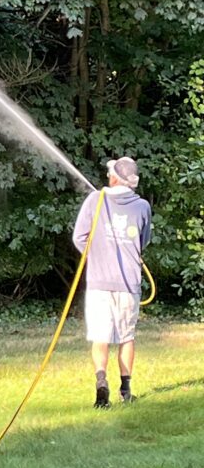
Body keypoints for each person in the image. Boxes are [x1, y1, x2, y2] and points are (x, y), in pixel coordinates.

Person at [72, 157, 152, 408]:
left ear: (115, 177)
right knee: (126, 337)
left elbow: (79, 237)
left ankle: (101, 383)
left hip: (99, 282)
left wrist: (97, 254)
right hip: (129, 283)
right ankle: (125, 391)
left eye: (110, 172)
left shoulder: (95, 200)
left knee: (100, 336)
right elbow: (143, 241)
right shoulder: (142, 206)